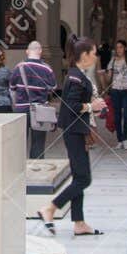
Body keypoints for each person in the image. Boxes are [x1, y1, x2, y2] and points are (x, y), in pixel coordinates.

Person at [39, 36, 101, 237]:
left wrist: (93, 105)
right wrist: (93, 106)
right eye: (94, 52)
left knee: (79, 176)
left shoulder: (78, 75)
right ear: (84, 55)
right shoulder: (75, 77)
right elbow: (72, 106)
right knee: (84, 178)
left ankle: (79, 222)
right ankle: (50, 208)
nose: (96, 56)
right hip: (74, 132)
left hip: (76, 130)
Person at [9, 41, 58, 159]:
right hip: (40, 109)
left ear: (27, 51)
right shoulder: (47, 69)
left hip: (21, 109)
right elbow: (53, 87)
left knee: (20, 142)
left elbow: (12, 87)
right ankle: (36, 167)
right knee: (38, 142)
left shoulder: (19, 67)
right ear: (40, 51)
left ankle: (19, 168)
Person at [106, 39, 127, 150]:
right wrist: (105, 74)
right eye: (117, 47)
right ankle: (119, 140)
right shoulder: (112, 60)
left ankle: (125, 139)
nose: (119, 50)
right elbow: (109, 78)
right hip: (115, 90)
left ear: (125, 48)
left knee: (126, 115)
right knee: (117, 116)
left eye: (121, 47)